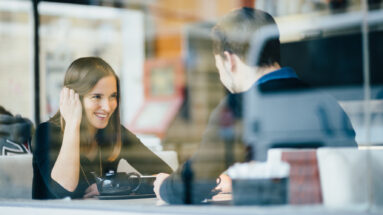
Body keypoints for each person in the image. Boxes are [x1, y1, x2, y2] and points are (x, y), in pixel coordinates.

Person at [153, 7, 357, 204]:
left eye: (219, 69)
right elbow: (346, 176)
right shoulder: (327, 103)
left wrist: (165, 186)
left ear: (228, 60)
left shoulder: (239, 106)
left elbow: (192, 184)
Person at [32, 57, 172, 199]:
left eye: (113, 96)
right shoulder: (46, 133)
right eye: (97, 97)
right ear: (75, 98)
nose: (107, 107)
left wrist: (112, 186)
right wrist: (72, 123)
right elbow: (64, 190)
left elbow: (167, 177)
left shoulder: (114, 133)